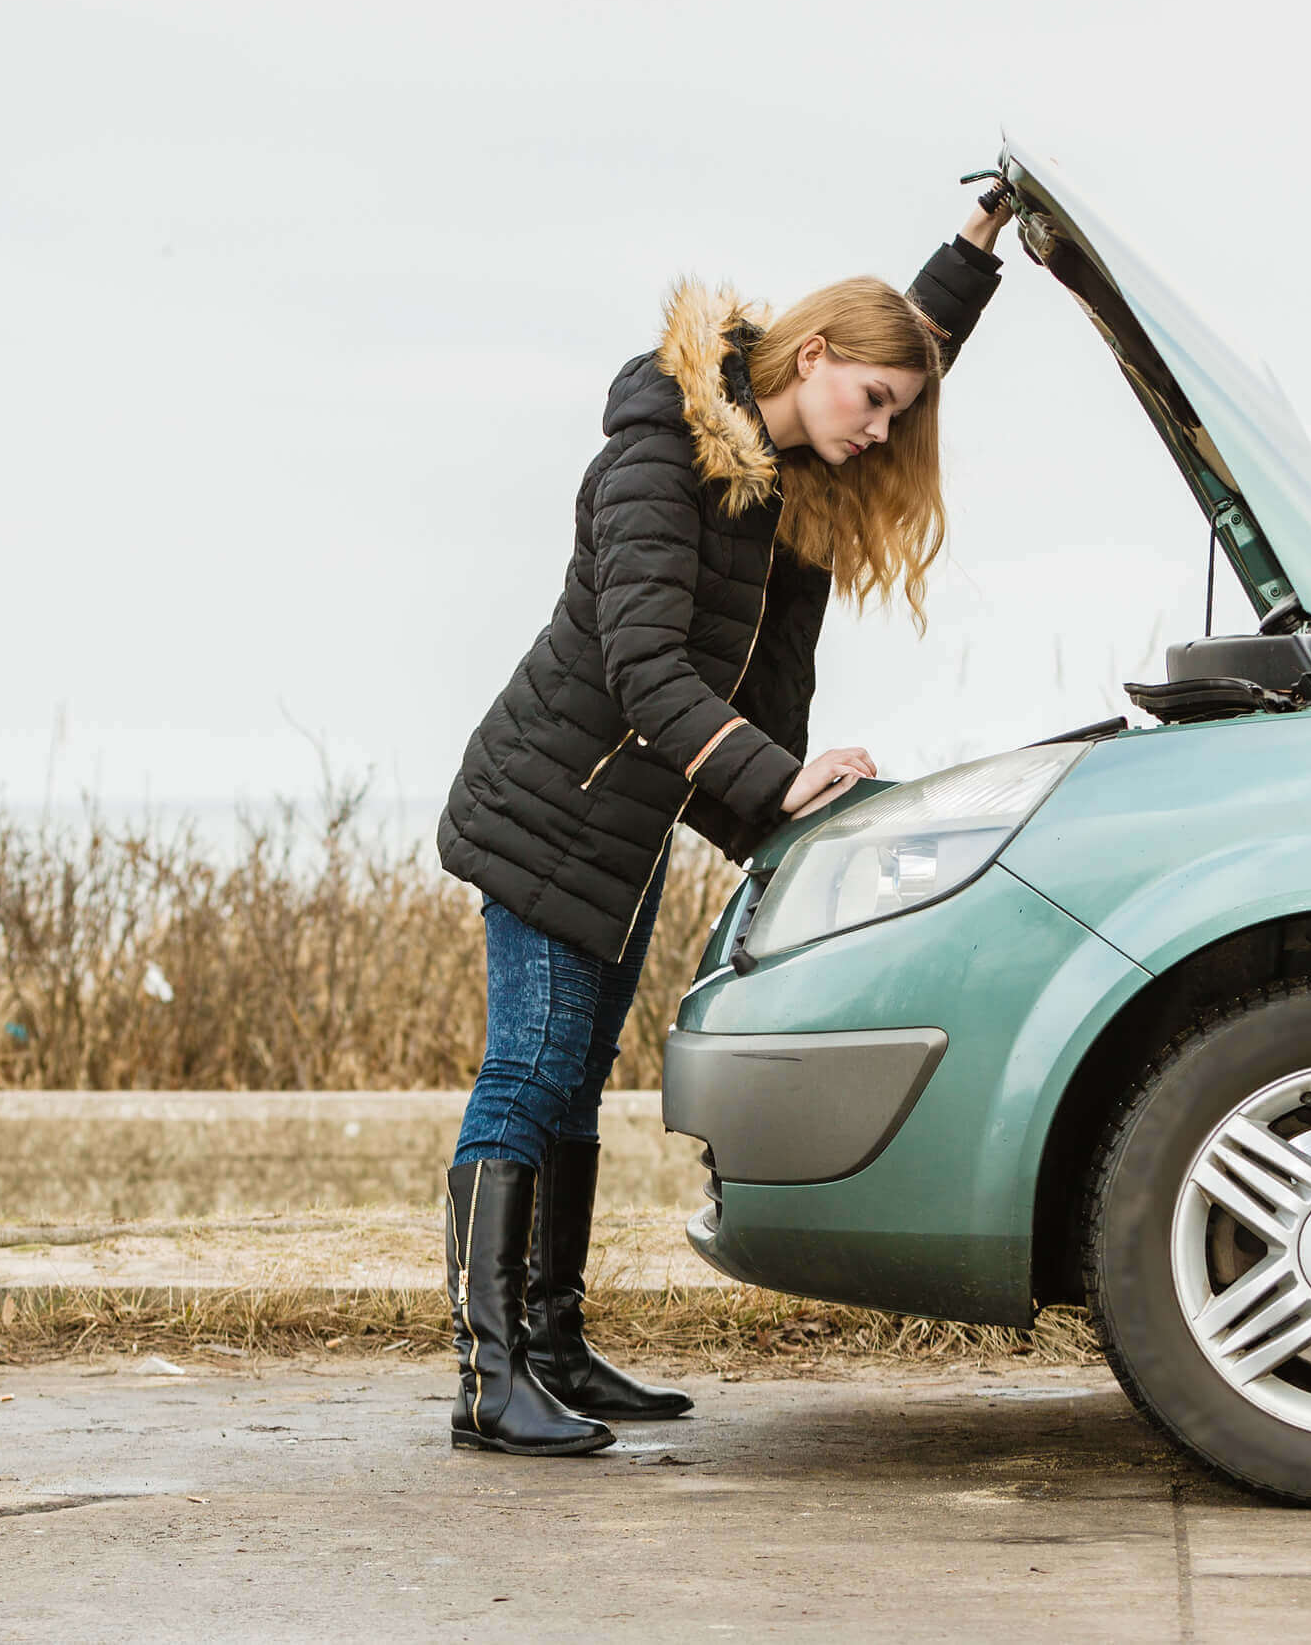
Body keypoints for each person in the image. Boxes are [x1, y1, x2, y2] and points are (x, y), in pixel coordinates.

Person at [433, 180, 1017, 1454]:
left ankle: (553, 1346)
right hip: (553, 806)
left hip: (628, 817)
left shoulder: (791, 450)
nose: (881, 432)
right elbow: (646, 672)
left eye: (898, 413)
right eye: (872, 404)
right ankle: (488, 1381)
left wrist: (974, 252)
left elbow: (902, 341)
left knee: (574, 1083)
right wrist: (775, 780)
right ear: (811, 359)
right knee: (526, 1075)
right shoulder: (658, 460)